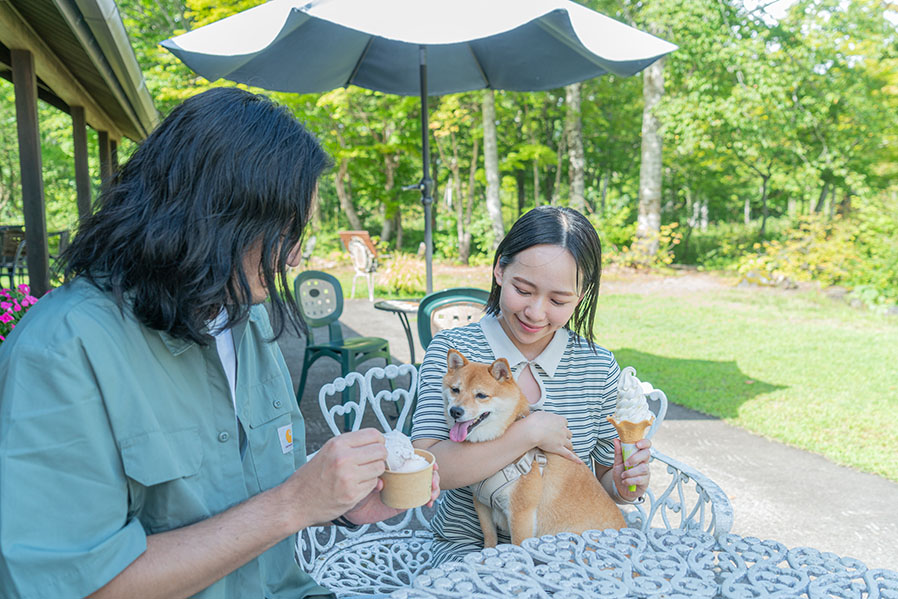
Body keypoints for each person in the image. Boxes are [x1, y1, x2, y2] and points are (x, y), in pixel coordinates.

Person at [0, 88, 438, 599]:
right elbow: (76, 587)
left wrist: (343, 503)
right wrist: (294, 504)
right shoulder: (59, 352)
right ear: (219, 217)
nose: (293, 258)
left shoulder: (241, 316)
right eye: (287, 232)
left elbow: (269, 483)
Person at [411, 205, 651, 564]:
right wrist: (529, 433)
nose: (536, 313)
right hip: (467, 551)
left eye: (558, 300)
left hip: (570, 553)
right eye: (523, 290)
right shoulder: (455, 353)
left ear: (581, 296)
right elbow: (428, 469)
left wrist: (624, 483)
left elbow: (603, 484)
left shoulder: (597, 367)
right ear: (499, 271)